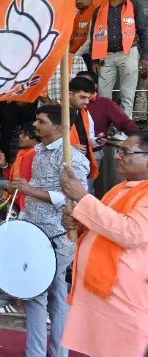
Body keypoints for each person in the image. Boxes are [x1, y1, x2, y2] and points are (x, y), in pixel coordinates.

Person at [60, 132, 148, 357]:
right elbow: (105, 226)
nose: (117, 156)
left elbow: (130, 233)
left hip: (128, 296)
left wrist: (83, 198)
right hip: (106, 292)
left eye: (126, 152)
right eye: (119, 151)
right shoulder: (120, 188)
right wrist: (79, 225)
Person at [11, 105, 89, 357]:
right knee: (48, 295)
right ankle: (47, 353)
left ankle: (47, 353)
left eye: (40, 121)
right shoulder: (40, 151)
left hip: (57, 237)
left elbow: (78, 200)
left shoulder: (73, 159)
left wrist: (31, 191)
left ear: (58, 128)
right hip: (34, 233)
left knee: (43, 297)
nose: (34, 125)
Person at [0, 122, 39, 318]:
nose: (20, 137)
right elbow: (14, 178)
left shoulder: (36, 155)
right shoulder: (22, 154)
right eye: (20, 133)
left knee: (24, 257)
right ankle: (20, 300)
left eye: (25, 134)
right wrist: (4, 166)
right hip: (18, 207)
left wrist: (17, 193)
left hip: (28, 211)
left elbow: (29, 185)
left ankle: (22, 302)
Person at [90, 0, 148, 118]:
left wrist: (145, 57)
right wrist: (94, 59)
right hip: (105, 55)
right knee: (103, 95)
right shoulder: (99, 10)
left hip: (129, 52)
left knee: (127, 93)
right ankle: (104, 129)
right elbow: (94, 35)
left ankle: (124, 131)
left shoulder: (134, 6)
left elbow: (144, 31)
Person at [68, 77, 101, 190]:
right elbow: (44, 143)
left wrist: (97, 141)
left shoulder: (85, 112)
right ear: (69, 94)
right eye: (82, 97)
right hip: (63, 168)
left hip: (83, 166)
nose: (86, 102)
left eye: (88, 98)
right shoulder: (53, 111)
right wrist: (69, 148)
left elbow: (89, 138)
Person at [71, 0, 94, 67]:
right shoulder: (77, 16)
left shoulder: (96, 13)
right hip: (76, 54)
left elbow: (91, 40)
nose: (78, 1)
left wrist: (76, 55)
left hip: (89, 55)